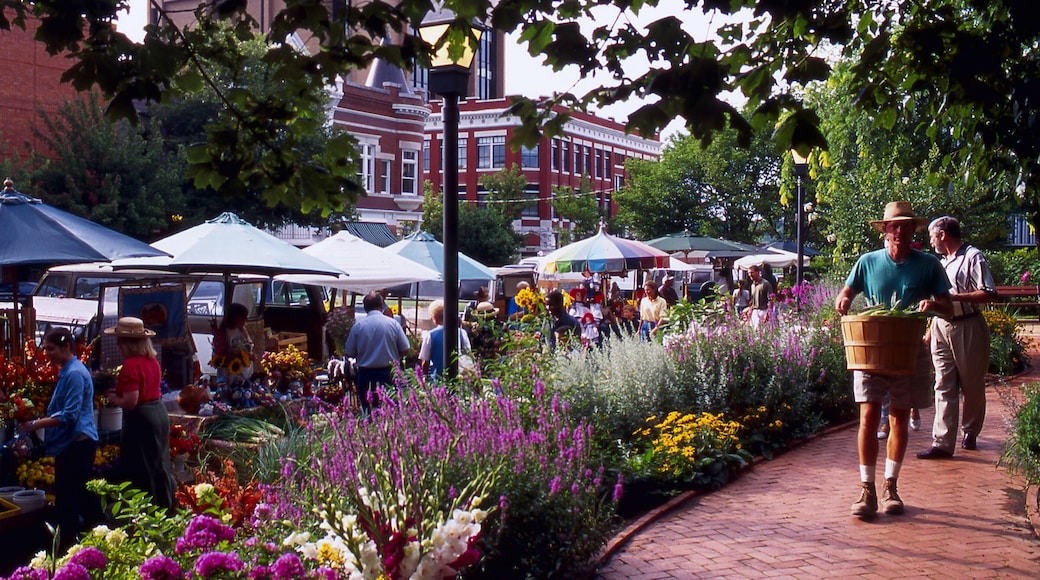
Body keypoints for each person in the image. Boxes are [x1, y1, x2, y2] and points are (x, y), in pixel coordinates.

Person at [835, 201, 953, 519]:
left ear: (913, 230)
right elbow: (847, 292)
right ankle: (866, 489)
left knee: (899, 417)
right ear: (885, 230)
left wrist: (934, 306)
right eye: (894, 226)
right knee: (869, 416)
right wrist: (844, 298)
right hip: (871, 347)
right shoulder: (867, 262)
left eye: (905, 226)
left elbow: (949, 308)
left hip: (907, 350)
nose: (899, 231)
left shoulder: (928, 264)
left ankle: (891, 486)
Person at [918, 216, 998, 459]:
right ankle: (942, 443)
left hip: (968, 326)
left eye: (932, 237)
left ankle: (970, 432)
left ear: (943, 235)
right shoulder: (941, 264)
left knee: (972, 385)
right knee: (942, 383)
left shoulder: (973, 256)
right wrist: (931, 328)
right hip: (942, 325)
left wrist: (954, 299)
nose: (931, 243)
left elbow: (989, 293)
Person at [19, 328, 101, 549]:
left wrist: (35, 424)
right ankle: (88, 537)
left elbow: (69, 415)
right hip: (72, 442)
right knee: (78, 493)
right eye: (45, 348)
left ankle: (71, 544)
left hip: (78, 443)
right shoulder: (68, 370)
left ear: (66, 347)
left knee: (70, 497)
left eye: (50, 349)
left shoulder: (74, 373)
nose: (47, 354)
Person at [103, 317, 176, 511]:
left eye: (119, 340)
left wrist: (113, 399)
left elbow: (131, 402)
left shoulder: (130, 365)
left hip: (142, 418)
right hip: (159, 412)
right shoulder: (152, 361)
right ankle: (166, 504)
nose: (117, 344)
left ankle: (148, 509)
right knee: (160, 462)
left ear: (126, 343)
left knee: (142, 466)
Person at [344, 292, 410, 412]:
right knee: (391, 411)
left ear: (365, 308)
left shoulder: (358, 326)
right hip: (389, 372)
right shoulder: (393, 324)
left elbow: (349, 353)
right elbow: (405, 349)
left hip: (365, 373)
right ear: (381, 306)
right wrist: (392, 353)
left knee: (368, 411)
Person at [418, 300, 472, 380]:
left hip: (437, 379)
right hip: (459, 377)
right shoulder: (461, 333)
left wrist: (424, 378)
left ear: (435, 318)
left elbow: (425, 361)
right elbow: (468, 354)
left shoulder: (430, 335)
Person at [214, 302, 253, 380]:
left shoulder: (241, 329)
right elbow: (223, 355)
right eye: (243, 318)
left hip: (244, 372)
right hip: (230, 375)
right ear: (236, 318)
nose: (245, 320)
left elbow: (248, 345)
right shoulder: (224, 334)